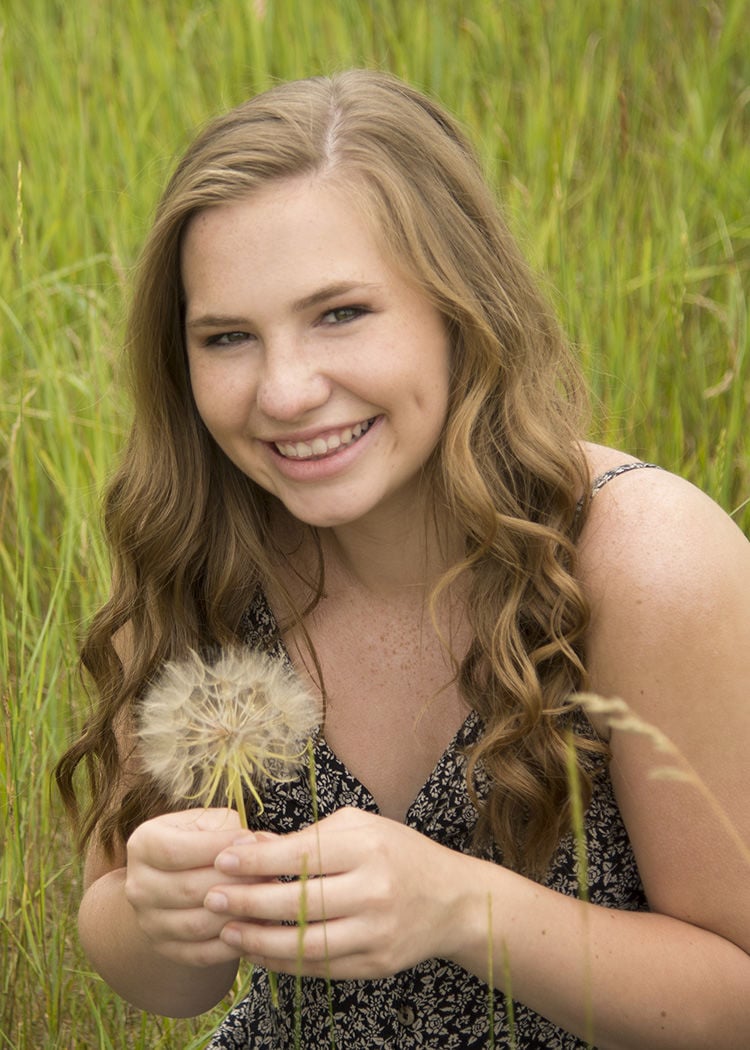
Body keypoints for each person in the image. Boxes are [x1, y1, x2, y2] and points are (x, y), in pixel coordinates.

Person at [55, 70, 750, 1049]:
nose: (285, 392)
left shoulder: (641, 560)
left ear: (461, 308)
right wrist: (163, 910)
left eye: (340, 313)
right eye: (228, 337)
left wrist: (462, 909)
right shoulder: (202, 555)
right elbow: (159, 970)